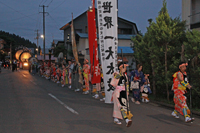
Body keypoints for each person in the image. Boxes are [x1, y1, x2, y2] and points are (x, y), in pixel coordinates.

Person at [111, 62, 132, 127]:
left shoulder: (125, 75)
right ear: (120, 67)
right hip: (118, 92)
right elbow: (115, 78)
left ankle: (116, 117)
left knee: (124, 106)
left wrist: (127, 91)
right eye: (124, 67)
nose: (125, 69)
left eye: (125, 67)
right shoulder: (117, 74)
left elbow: (127, 84)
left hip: (123, 92)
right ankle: (126, 120)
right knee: (121, 106)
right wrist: (121, 73)